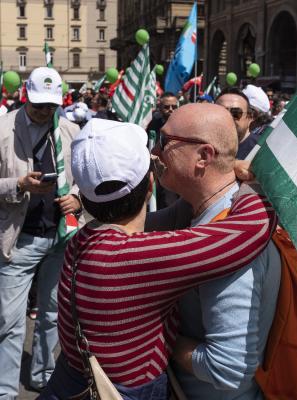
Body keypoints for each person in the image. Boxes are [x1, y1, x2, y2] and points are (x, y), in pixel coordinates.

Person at [38, 118, 276, 399]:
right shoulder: (134, 256)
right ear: (150, 184)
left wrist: (222, 169)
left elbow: (171, 218)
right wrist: (245, 182)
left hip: (71, 380)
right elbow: (252, 229)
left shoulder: (88, 238)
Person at [150, 103, 281, 400]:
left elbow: (228, 369)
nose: (156, 152)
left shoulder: (232, 244)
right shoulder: (200, 209)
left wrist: (158, 335)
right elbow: (134, 230)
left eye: (165, 142)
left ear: (204, 156)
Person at [0, 67, 82, 398]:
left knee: (52, 316)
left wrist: (76, 196)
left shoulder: (70, 130)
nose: (45, 112)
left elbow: (84, 178)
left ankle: (44, 376)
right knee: (9, 322)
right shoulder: (4, 128)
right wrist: (18, 185)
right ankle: (5, 391)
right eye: (38, 105)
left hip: (61, 238)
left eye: (50, 105)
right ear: (25, 97)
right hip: (19, 239)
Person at [147, 92, 179, 208]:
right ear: (160, 108)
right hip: (157, 174)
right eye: (167, 107)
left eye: (174, 107)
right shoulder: (153, 124)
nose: (171, 110)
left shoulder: (184, 125)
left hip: (177, 176)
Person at [215, 87, 255, 159]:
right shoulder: (203, 144)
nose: (228, 117)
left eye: (236, 113)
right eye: (221, 112)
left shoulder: (259, 149)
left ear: (249, 117)